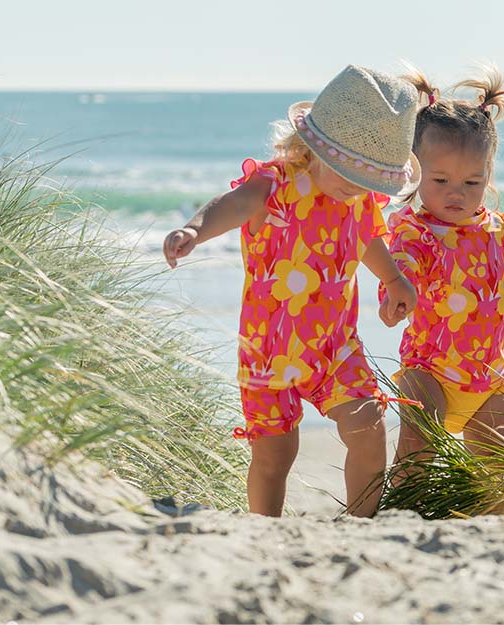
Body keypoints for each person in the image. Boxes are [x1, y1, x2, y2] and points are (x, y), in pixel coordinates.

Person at [163, 65, 420, 517]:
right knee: (274, 454)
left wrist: (394, 278)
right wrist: (193, 230)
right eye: (348, 172)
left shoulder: (356, 200)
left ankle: (361, 523)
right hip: (268, 349)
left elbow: (367, 239)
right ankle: (266, 530)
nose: (357, 187)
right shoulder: (275, 183)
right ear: (315, 146)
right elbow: (233, 205)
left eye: (370, 180)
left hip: (334, 345)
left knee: (368, 426)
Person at [380, 65, 504, 474]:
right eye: (441, 179)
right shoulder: (417, 232)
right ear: (413, 173)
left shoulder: (500, 232)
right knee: (416, 452)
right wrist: (396, 294)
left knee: (492, 468)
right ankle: (402, 511)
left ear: (488, 176)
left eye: (471, 183)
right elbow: (400, 268)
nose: (455, 193)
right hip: (428, 369)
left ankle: (482, 516)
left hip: (491, 376)